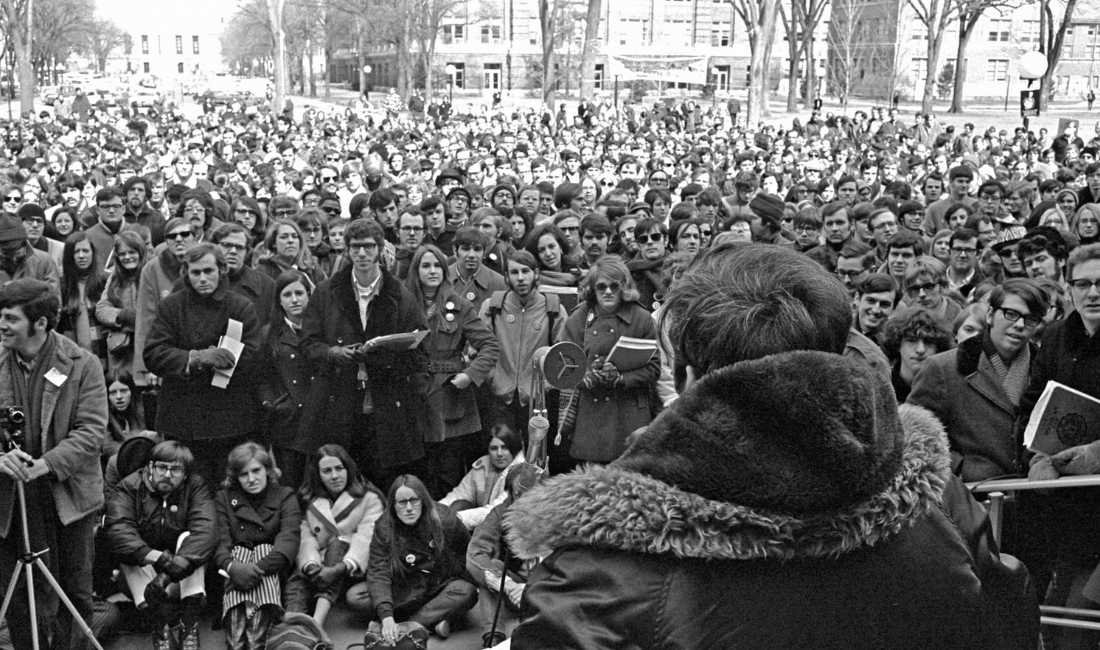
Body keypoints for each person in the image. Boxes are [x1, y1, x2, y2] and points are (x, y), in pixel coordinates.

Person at [504, 242, 1010, 649]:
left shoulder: (598, 572)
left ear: (689, 375)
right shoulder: (938, 498)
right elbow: (1002, 613)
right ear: (836, 355)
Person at [0, 279, 107, 650]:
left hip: (68, 496)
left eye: (11, 318)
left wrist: (45, 464)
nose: (2, 325)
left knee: (73, 590)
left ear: (41, 323)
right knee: (19, 596)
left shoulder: (82, 364)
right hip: (10, 500)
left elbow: (92, 432)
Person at [299, 218, 428, 489]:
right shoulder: (326, 292)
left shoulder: (400, 294)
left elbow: (420, 351)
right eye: (355, 247)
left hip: (385, 402)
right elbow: (309, 343)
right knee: (342, 479)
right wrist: (333, 352)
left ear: (380, 249)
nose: (361, 254)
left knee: (382, 480)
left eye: (369, 247)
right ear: (346, 250)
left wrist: (387, 359)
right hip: (338, 400)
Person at [143, 243, 263, 487]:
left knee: (227, 491)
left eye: (209, 271)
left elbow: (254, 359)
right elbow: (154, 353)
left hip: (229, 420)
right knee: (186, 490)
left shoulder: (240, 307)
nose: (203, 278)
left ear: (221, 270)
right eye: (196, 272)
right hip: (182, 418)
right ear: (186, 273)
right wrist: (195, 359)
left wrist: (225, 362)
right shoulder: (171, 306)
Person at [907, 279, 1048, 482]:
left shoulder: (1045, 367)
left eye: (1030, 319)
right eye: (1011, 314)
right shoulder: (944, 367)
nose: (1019, 325)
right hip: (972, 496)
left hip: (1031, 493)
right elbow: (916, 435)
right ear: (990, 315)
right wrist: (961, 468)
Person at [406, 244, 500, 496]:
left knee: (448, 471)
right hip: (413, 396)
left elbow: (490, 345)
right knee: (418, 471)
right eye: (426, 266)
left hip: (450, 397)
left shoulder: (458, 305)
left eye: (437, 265)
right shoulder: (404, 304)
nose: (432, 271)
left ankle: (448, 526)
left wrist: (469, 375)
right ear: (416, 271)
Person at [105, 441, 216, 650]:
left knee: (190, 539)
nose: (167, 474)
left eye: (175, 469)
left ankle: (189, 627)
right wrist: (161, 559)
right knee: (128, 548)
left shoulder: (195, 486)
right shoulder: (129, 487)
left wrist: (168, 574)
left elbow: (206, 529)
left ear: (185, 474)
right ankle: (160, 629)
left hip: (179, 577)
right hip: (145, 584)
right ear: (150, 467)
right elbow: (117, 530)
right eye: (161, 467)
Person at [348, 475, 477, 640]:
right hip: (403, 587)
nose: (409, 508)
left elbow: (466, 550)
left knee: (467, 591)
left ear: (423, 500)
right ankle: (436, 619)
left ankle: (407, 625)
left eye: (414, 500)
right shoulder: (384, 526)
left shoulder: (444, 517)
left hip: (438, 584)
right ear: (393, 505)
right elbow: (378, 572)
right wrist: (387, 617)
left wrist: (450, 572)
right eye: (401, 502)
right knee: (355, 596)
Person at [562, 257, 660, 465]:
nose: (607, 292)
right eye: (601, 287)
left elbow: (654, 369)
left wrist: (621, 378)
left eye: (614, 286)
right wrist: (589, 374)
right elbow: (565, 368)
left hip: (629, 413)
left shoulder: (642, 318)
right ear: (592, 288)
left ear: (624, 287)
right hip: (592, 415)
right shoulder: (578, 319)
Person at [284, 444, 386, 627]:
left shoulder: (369, 497)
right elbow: (305, 538)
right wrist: (311, 566)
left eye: (339, 468)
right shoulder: (308, 499)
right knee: (299, 574)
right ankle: (293, 624)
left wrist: (338, 568)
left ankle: (317, 622)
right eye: (327, 471)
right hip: (321, 566)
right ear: (318, 475)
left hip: (354, 568)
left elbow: (365, 540)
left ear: (348, 468)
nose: (335, 476)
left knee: (338, 543)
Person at [214, 442, 301, 650]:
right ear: (236, 477)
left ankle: (255, 642)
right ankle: (236, 641)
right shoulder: (224, 498)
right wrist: (233, 568)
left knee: (264, 549)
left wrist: (256, 570)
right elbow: (220, 541)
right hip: (234, 571)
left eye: (256, 471)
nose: (251, 479)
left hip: (269, 569)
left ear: (268, 470)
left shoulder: (284, 495)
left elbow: (288, 539)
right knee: (240, 552)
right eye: (244, 474)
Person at [479, 251, 568, 434]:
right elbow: (477, 349)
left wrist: (546, 386)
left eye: (525, 271)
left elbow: (563, 354)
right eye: (514, 272)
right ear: (506, 277)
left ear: (535, 274)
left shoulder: (553, 309)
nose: (520, 278)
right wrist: (493, 378)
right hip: (500, 396)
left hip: (539, 398)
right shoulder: (492, 307)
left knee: (535, 455)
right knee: (502, 452)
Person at [258, 270, 314, 488]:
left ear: (309, 295)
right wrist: (272, 404)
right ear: (279, 300)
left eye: (299, 293)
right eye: (287, 295)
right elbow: (260, 378)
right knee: (290, 483)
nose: (294, 300)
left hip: (318, 417)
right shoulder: (268, 335)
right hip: (287, 423)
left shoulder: (321, 330)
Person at [133, 217, 199, 387]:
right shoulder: (152, 269)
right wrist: (145, 366)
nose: (178, 239)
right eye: (172, 236)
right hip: (168, 354)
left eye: (185, 234)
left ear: (195, 236)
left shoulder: (208, 263)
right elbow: (146, 319)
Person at [439, 424, 526, 530]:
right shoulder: (483, 464)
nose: (499, 454)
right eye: (494, 448)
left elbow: (495, 512)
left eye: (504, 448)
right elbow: (460, 494)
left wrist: (454, 520)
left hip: (510, 528)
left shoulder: (520, 472)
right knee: (457, 504)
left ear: (514, 448)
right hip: (484, 525)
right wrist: (436, 512)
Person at [96, 231, 146, 373]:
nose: (127, 257)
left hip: (146, 350)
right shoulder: (115, 278)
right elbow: (101, 309)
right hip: (121, 354)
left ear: (141, 252)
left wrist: (134, 322)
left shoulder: (150, 274)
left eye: (132, 252)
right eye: (122, 254)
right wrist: (123, 315)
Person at [881, 306, 956, 403]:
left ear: (939, 347)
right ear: (897, 344)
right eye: (911, 341)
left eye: (929, 342)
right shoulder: (883, 385)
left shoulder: (948, 388)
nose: (920, 350)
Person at [58, 232, 107, 365]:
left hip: (103, 359)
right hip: (70, 360)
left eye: (85, 251)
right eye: (76, 252)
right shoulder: (61, 286)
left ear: (93, 253)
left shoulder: (106, 282)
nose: (81, 256)